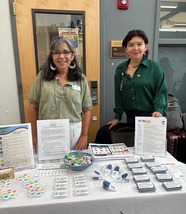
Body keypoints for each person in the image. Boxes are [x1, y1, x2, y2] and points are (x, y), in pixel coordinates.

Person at [95, 29, 168, 144]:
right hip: (131, 119)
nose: (135, 48)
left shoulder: (155, 68)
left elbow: (161, 92)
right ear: (125, 49)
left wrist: (158, 110)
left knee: (147, 152)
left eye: (139, 44)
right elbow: (118, 95)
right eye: (131, 45)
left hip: (151, 119)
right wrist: (117, 117)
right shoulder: (120, 69)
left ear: (146, 47)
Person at [28, 36, 93, 151]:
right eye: (56, 53)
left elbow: (87, 109)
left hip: (73, 132)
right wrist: (34, 135)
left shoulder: (80, 79)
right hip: (48, 130)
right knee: (49, 165)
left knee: (72, 164)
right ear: (52, 56)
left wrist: (84, 135)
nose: (61, 56)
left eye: (66, 52)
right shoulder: (42, 77)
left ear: (72, 56)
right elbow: (33, 106)